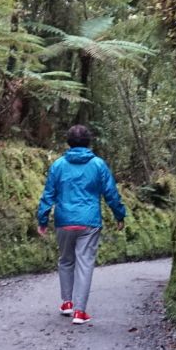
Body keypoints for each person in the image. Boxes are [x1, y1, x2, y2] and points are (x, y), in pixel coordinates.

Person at [36, 125, 125, 325]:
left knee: (66, 260)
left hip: (64, 221)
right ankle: (79, 312)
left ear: (68, 142)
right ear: (88, 142)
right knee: (84, 264)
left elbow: (48, 194)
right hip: (89, 222)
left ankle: (67, 302)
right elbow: (111, 193)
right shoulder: (98, 165)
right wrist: (120, 215)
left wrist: (42, 220)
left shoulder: (58, 165)